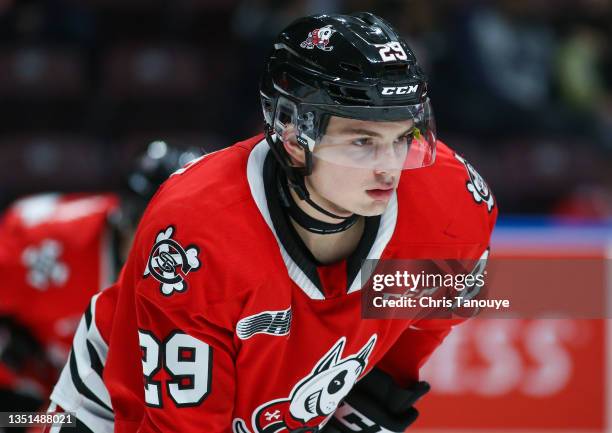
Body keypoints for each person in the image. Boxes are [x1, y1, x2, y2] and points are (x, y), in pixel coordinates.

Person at [49, 12, 497, 433]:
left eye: (403, 138)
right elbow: (178, 423)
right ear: (292, 138)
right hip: (117, 406)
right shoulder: (199, 233)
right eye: (362, 141)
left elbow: (411, 343)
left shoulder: (450, 209)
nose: (390, 168)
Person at [0, 142, 200, 419]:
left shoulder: (228, 270)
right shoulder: (44, 247)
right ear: (128, 220)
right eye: (162, 231)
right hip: (42, 403)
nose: (170, 251)